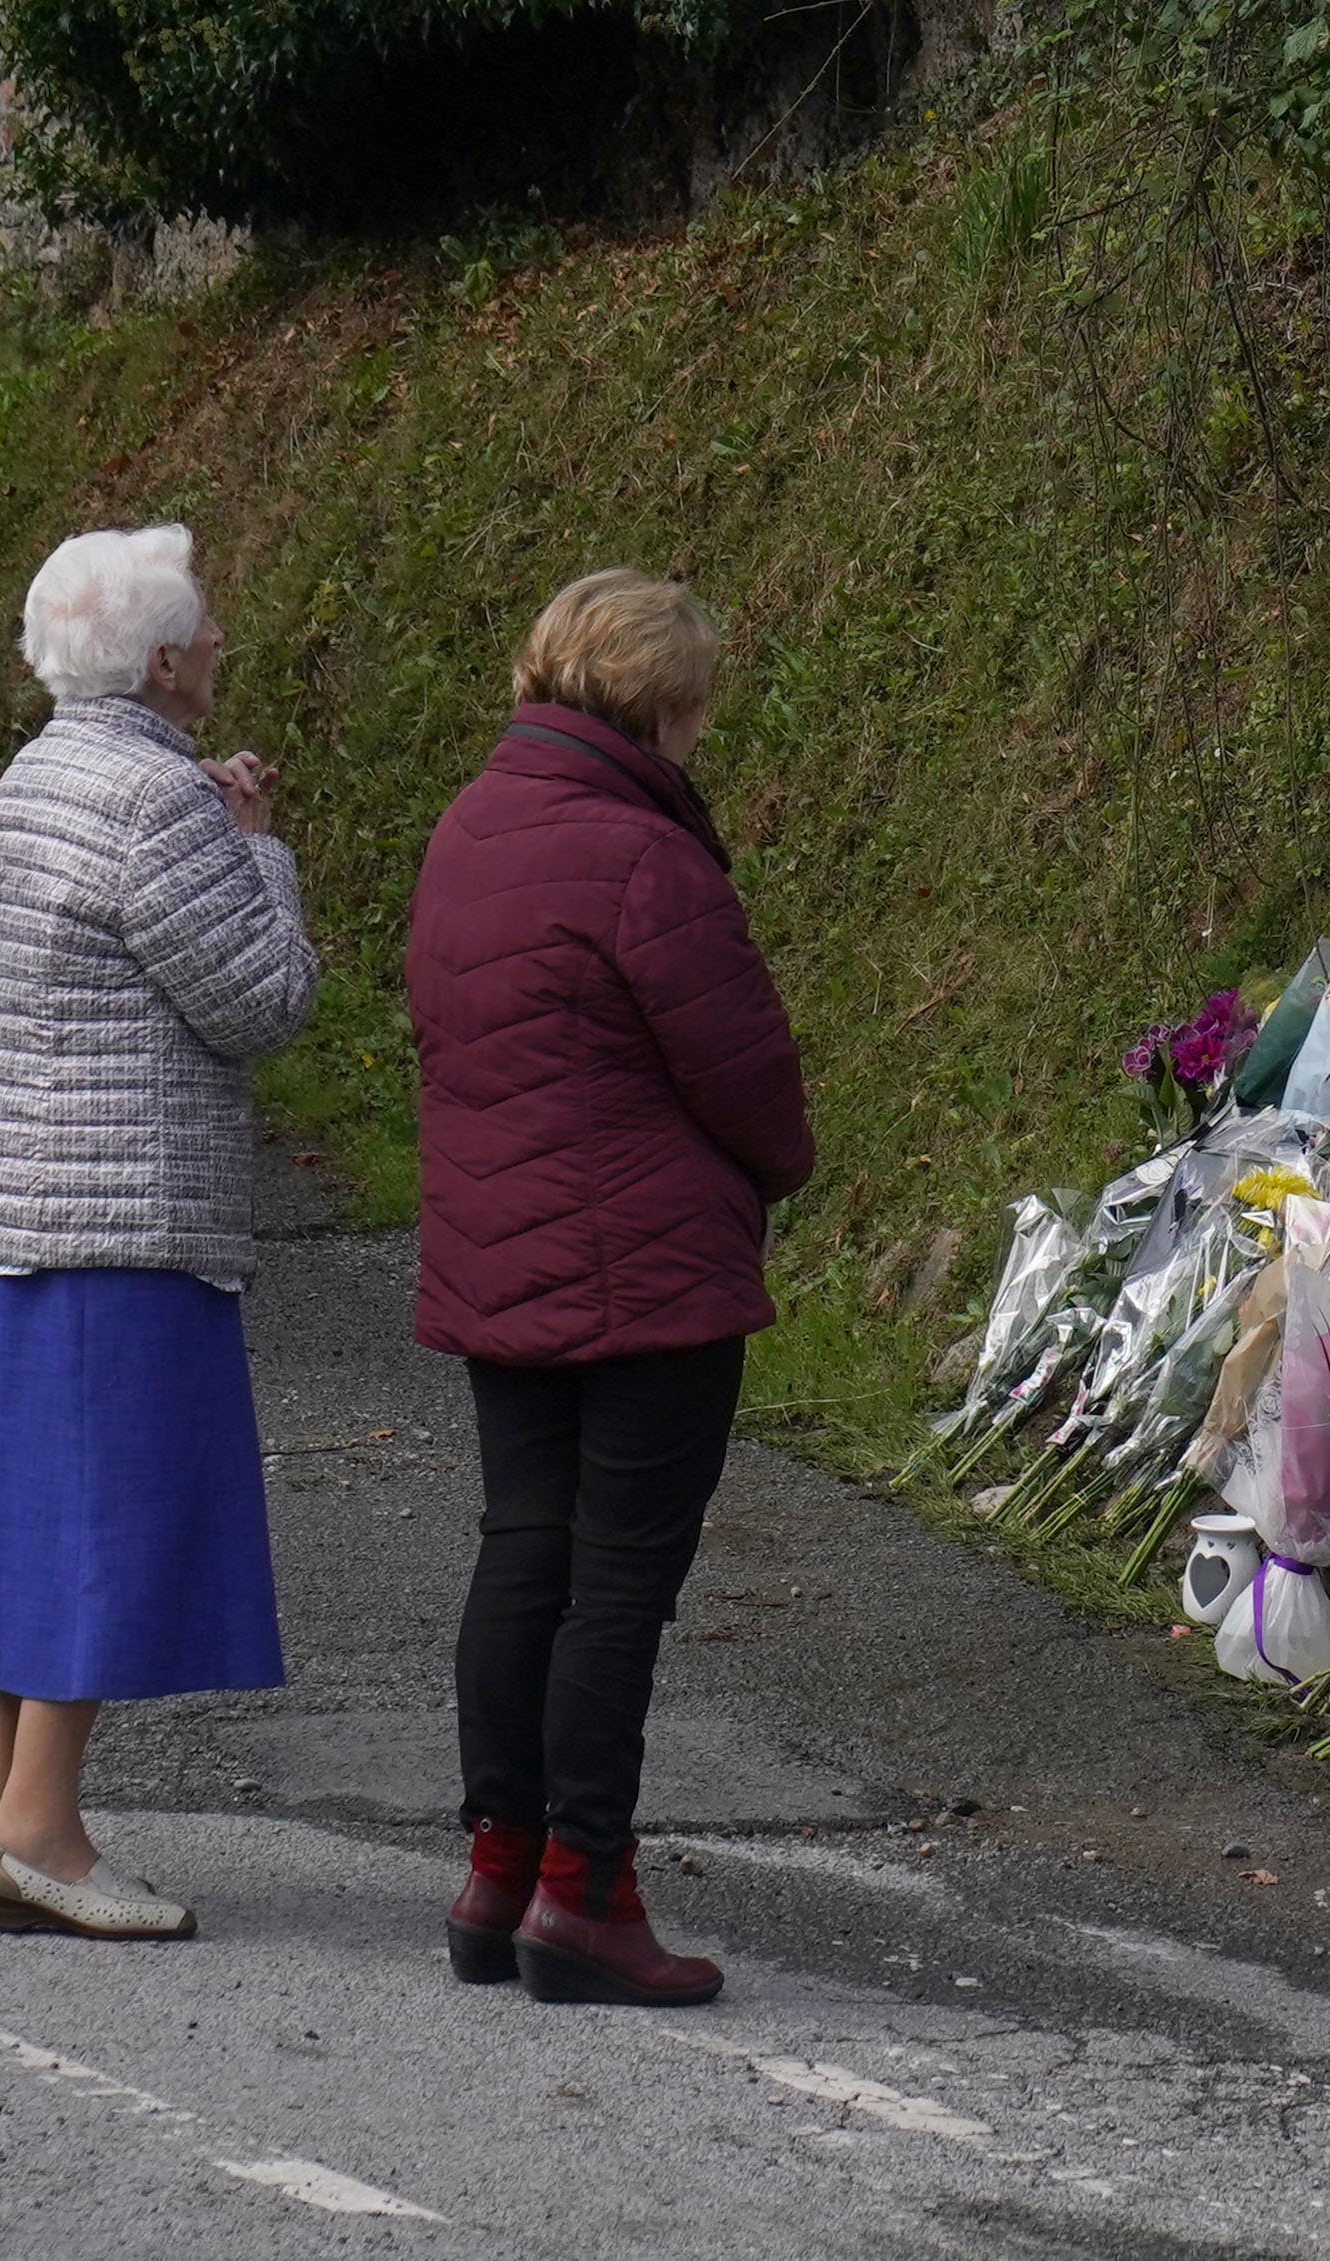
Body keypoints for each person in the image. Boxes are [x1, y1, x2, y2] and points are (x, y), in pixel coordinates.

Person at [406, 570, 813, 2007]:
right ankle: (587, 1892)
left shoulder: (467, 828)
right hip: (646, 1274)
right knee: (618, 1581)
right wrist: (780, 1168)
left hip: (493, 1252)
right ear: (663, 704)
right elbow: (748, 1069)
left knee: (522, 1547)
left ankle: (497, 1868)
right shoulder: (645, 857)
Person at [0, 523, 320, 1940]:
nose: (220, 642)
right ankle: (42, 1832)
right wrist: (260, 852)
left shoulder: (35, 778)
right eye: (205, 626)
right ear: (162, 661)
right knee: (98, 1526)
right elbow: (263, 999)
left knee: (24, 1516)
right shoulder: (165, 809)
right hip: (122, 1214)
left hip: (14, 1203)